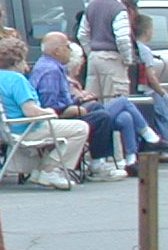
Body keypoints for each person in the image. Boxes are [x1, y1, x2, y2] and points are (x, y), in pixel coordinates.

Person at [30, 31, 157, 180]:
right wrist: (73, 108)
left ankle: (126, 154)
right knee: (105, 114)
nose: (70, 51)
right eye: (67, 47)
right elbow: (49, 104)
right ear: (57, 50)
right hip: (58, 118)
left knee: (117, 114)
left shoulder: (49, 66)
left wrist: (77, 99)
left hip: (65, 110)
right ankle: (103, 163)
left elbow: (57, 97)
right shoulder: (51, 71)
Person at [0, 36, 85, 190]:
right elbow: (30, 111)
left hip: (7, 129)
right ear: (18, 60)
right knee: (81, 128)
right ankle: (50, 169)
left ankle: (42, 170)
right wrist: (49, 112)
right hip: (27, 129)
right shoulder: (17, 80)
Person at [76, 0, 134, 100]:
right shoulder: (118, 8)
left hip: (94, 58)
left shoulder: (91, 5)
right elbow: (123, 38)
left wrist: (90, 52)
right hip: (112, 59)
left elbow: (82, 34)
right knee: (114, 101)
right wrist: (127, 59)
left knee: (92, 99)